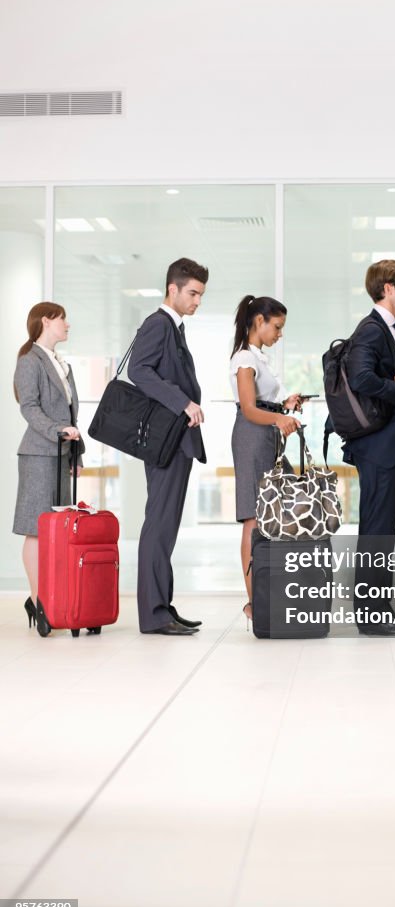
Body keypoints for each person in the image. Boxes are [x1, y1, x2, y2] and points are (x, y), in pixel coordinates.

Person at [128, 258, 208, 636]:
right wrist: (183, 402)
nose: (196, 301)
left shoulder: (175, 328)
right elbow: (139, 371)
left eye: (200, 295)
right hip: (165, 439)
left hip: (176, 439)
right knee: (159, 525)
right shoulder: (158, 324)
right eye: (192, 293)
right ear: (172, 289)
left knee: (165, 526)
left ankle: (163, 607)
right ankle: (155, 613)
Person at [343, 259, 395, 636]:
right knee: (377, 529)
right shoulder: (372, 329)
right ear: (387, 288)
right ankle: (372, 615)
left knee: (383, 529)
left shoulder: (388, 327)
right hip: (378, 446)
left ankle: (379, 609)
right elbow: (360, 377)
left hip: (388, 445)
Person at [230, 295, 302, 627]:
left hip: (268, 436)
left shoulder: (259, 357)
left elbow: (264, 402)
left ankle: (270, 594)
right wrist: (277, 419)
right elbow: (248, 408)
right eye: (277, 326)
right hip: (253, 436)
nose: (280, 334)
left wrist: (285, 404)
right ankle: (255, 603)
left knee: (278, 512)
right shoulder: (245, 357)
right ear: (259, 321)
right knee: (254, 518)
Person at [13, 302, 83, 628]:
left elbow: (71, 416)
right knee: (37, 529)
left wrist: (76, 454)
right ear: (46, 321)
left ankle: (47, 598)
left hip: (62, 455)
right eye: (62, 319)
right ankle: (40, 600)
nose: (67, 324)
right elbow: (29, 408)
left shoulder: (62, 364)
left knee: (58, 531)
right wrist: (58, 432)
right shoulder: (30, 362)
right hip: (39, 455)